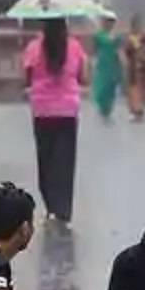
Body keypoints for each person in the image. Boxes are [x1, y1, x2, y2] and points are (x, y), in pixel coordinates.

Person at [22, 18, 87, 222]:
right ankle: (63, 209)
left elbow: (27, 75)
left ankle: (51, 206)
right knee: (65, 162)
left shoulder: (34, 47)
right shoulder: (74, 47)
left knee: (46, 160)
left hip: (42, 110)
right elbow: (82, 75)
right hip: (67, 110)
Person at [91, 15, 123, 122]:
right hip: (103, 63)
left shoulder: (116, 36)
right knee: (101, 86)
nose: (109, 24)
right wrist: (93, 62)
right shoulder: (98, 35)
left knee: (111, 87)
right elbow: (94, 49)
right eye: (107, 22)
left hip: (113, 63)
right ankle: (102, 105)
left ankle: (108, 109)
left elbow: (120, 49)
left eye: (111, 22)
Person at [124, 15, 145, 121]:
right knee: (133, 89)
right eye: (135, 25)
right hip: (133, 68)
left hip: (142, 67)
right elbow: (127, 52)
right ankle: (134, 110)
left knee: (142, 89)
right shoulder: (129, 39)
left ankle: (141, 110)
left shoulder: (143, 38)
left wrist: (143, 52)